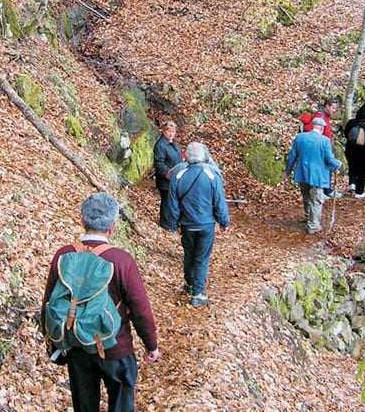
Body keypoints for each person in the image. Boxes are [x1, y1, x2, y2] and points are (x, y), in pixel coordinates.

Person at [42, 193, 161, 412]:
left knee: (85, 406)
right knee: (122, 404)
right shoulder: (121, 260)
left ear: (82, 219)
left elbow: (49, 303)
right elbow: (140, 308)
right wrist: (151, 344)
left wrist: (53, 340)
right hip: (116, 346)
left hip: (78, 346)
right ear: (113, 226)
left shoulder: (64, 255)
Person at [165, 142, 230, 308]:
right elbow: (218, 201)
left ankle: (188, 285)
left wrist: (173, 224)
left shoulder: (178, 175)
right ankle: (198, 294)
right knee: (201, 258)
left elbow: (172, 203)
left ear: (186, 156)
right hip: (206, 224)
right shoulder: (211, 174)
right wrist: (224, 221)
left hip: (186, 224)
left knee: (189, 254)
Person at [285, 117, 342, 234]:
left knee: (306, 196)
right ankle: (313, 225)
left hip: (302, 174)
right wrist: (338, 164)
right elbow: (329, 159)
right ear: (321, 128)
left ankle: (308, 217)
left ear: (312, 126)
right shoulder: (324, 141)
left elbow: (292, 156)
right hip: (317, 176)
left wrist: (287, 171)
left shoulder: (300, 137)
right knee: (316, 199)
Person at [153, 121, 183, 229]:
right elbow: (159, 163)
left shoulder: (173, 143)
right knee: (166, 202)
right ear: (163, 131)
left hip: (176, 178)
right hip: (166, 180)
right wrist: (168, 174)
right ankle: (166, 225)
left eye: (173, 131)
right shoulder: (160, 145)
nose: (171, 134)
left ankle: (174, 222)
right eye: (169, 131)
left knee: (175, 202)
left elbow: (179, 157)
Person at [343, 103, 365, 199]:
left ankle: (352, 185)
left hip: (350, 150)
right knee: (363, 171)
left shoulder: (351, 122)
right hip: (364, 152)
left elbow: (346, 134)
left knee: (352, 167)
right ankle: (359, 192)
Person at [313, 99, 344, 199]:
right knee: (322, 168)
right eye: (333, 108)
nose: (334, 110)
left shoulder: (325, 116)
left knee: (327, 168)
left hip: (326, 145)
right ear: (326, 106)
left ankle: (327, 190)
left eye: (336, 108)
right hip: (321, 147)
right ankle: (322, 191)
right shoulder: (320, 117)